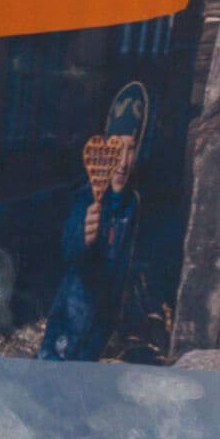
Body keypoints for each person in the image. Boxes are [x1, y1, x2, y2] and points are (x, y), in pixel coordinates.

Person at [41, 81, 148, 362]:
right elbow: (68, 249)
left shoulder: (133, 205)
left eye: (132, 149)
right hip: (70, 323)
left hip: (102, 331)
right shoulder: (86, 197)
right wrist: (83, 238)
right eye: (118, 147)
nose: (123, 162)